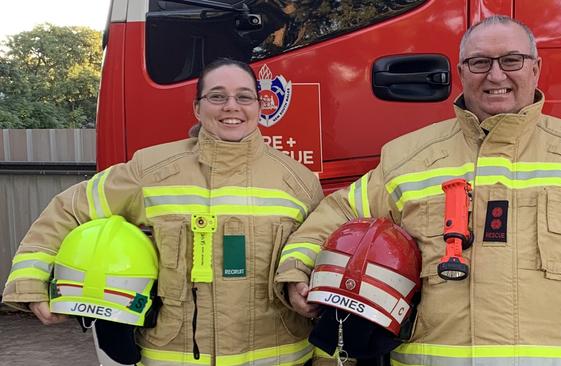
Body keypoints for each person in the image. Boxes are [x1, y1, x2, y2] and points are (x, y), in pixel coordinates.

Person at [275, 15, 561, 365]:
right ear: (460, 73)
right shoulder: (408, 157)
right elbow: (340, 213)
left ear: (536, 68)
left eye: (512, 60)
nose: (496, 74)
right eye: (480, 62)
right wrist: (297, 268)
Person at [3, 58, 324, 365]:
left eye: (244, 96)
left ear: (258, 106)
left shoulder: (299, 182)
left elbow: (322, 264)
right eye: (217, 96)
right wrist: (30, 282)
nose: (231, 106)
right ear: (197, 108)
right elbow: (67, 211)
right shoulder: (150, 171)